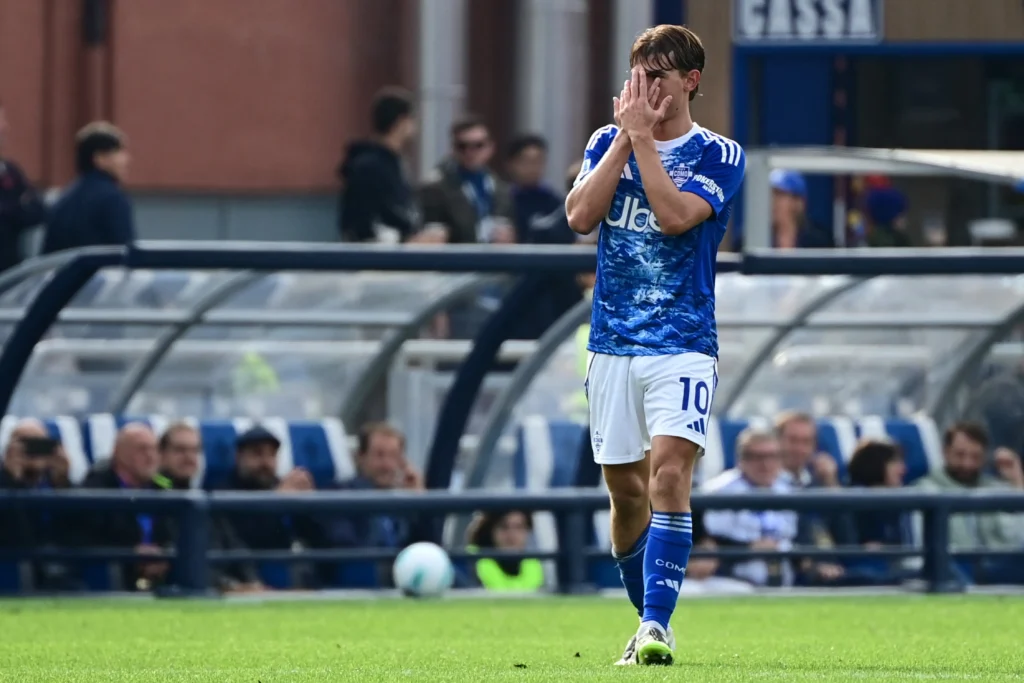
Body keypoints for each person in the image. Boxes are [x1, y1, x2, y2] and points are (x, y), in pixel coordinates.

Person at [565, 25, 745, 666]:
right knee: (626, 494)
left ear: (690, 81)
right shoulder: (603, 141)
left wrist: (642, 139)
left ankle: (655, 626)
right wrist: (624, 138)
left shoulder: (720, 155)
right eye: (638, 75)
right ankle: (646, 622)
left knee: (670, 475)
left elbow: (673, 217)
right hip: (612, 343)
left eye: (659, 76)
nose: (644, 88)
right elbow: (579, 217)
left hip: (683, 342)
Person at [337, 87, 420, 243]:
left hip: (397, 248)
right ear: (401, 122)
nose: (415, 126)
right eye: (412, 119)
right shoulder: (368, 167)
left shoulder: (395, 162)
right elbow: (361, 222)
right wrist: (406, 238)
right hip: (378, 252)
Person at [42, 122, 134, 255]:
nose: (126, 159)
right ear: (99, 158)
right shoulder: (113, 199)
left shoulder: (64, 199)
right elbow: (124, 251)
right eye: (119, 152)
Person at [0, 101, 46, 272]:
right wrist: (18, 206)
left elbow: (38, 210)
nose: (5, 127)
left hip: (10, 275)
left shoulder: (10, 171)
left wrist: (9, 210)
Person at [466, 510, 544, 592]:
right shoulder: (468, 562)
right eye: (504, 527)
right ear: (490, 530)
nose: (512, 535)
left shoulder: (535, 562)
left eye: (519, 527)